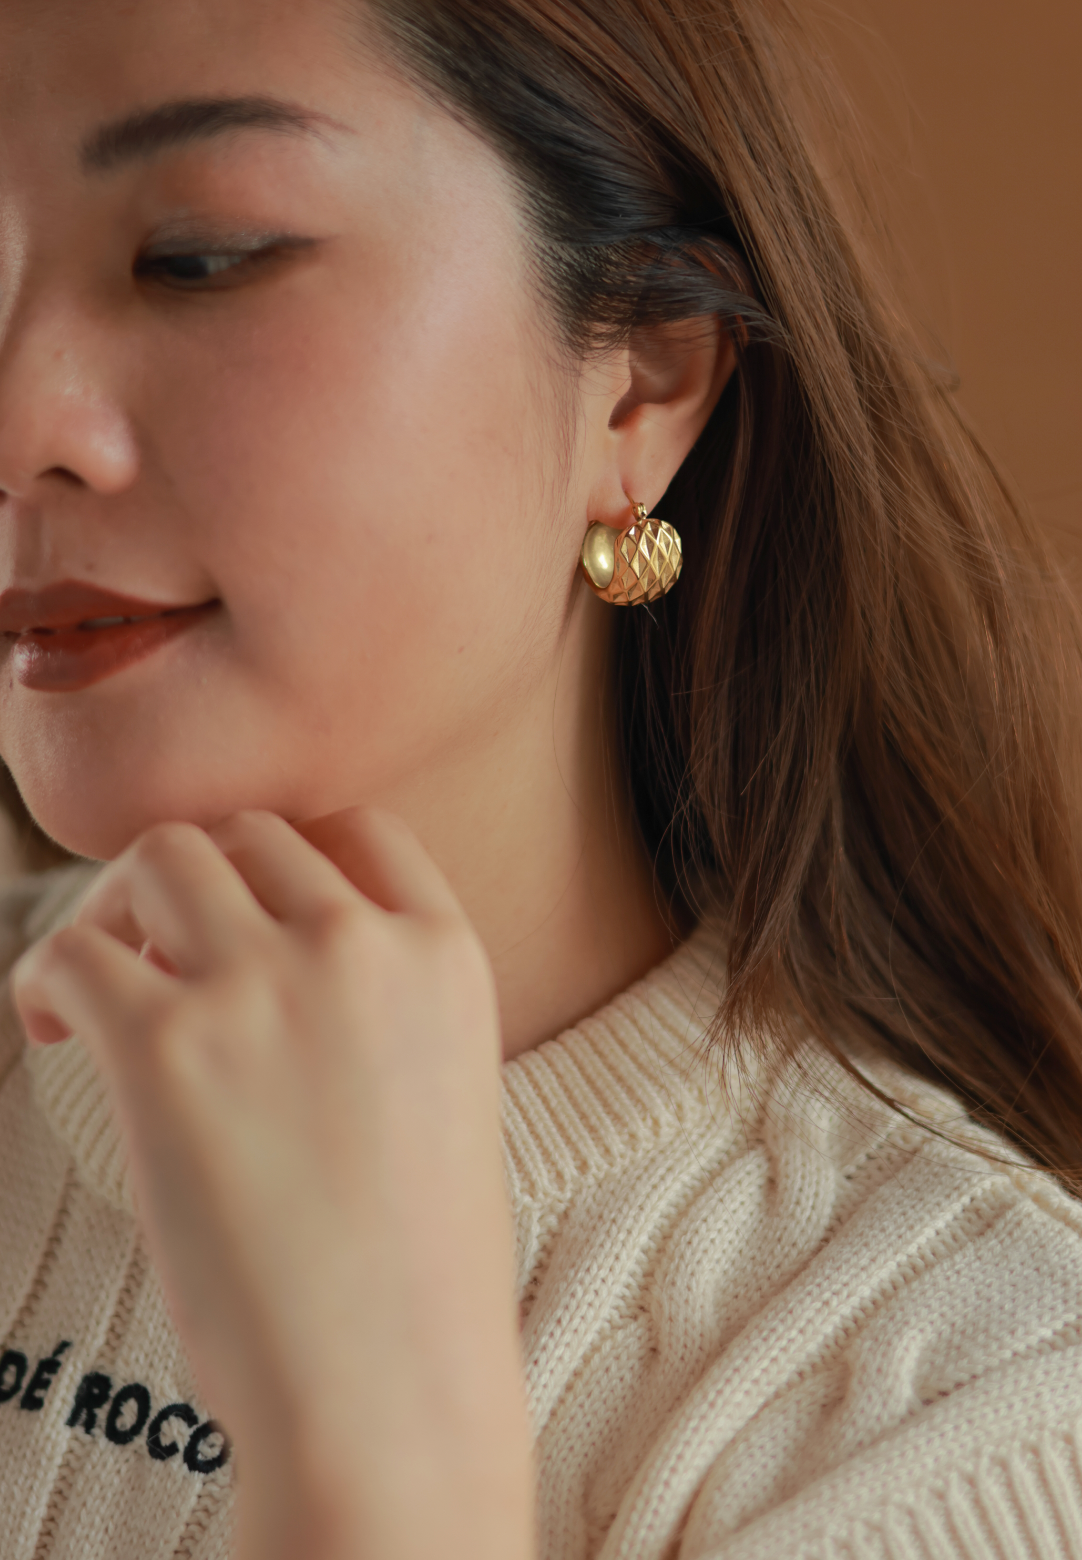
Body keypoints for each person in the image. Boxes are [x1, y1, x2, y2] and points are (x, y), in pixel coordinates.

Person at [1, 0, 1081, 1556]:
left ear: (642, 383)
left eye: (198, 257)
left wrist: (375, 1469)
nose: (20, 417)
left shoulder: (964, 1411)